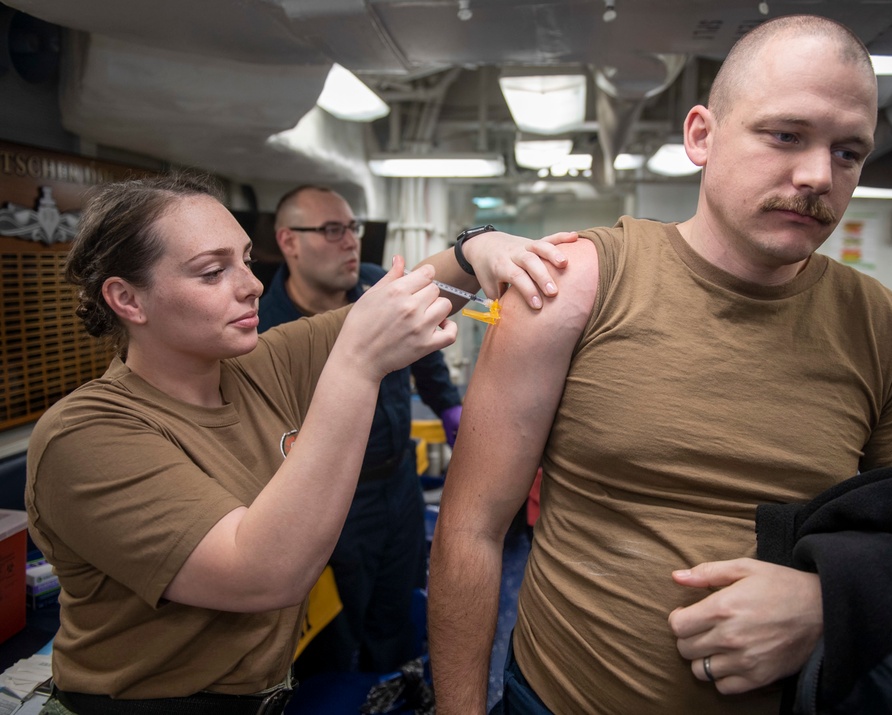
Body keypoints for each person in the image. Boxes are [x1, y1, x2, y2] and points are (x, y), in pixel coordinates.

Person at [427, 14, 892, 715]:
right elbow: (472, 528)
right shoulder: (578, 284)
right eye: (786, 135)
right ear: (701, 136)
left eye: (848, 152)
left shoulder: (885, 330)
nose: (817, 175)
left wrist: (833, 601)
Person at [24, 172, 574, 715]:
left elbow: (414, 296)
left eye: (244, 259)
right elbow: (264, 575)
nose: (252, 284)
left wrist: (477, 245)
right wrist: (358, 366)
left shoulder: (258, 365)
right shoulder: (86, 435)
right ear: (128, 299)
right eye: (213, 272)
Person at [257, 185, 463, 675]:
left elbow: (428, 360)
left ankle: (397, 694)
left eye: (353, 228)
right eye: (332, 230)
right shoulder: (264, 326)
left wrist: (453, 411)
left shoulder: (379, 286)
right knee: (335, 633)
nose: (350, 241)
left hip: (398, 485)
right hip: (328, 503)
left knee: (399, 606)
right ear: (289, 241)